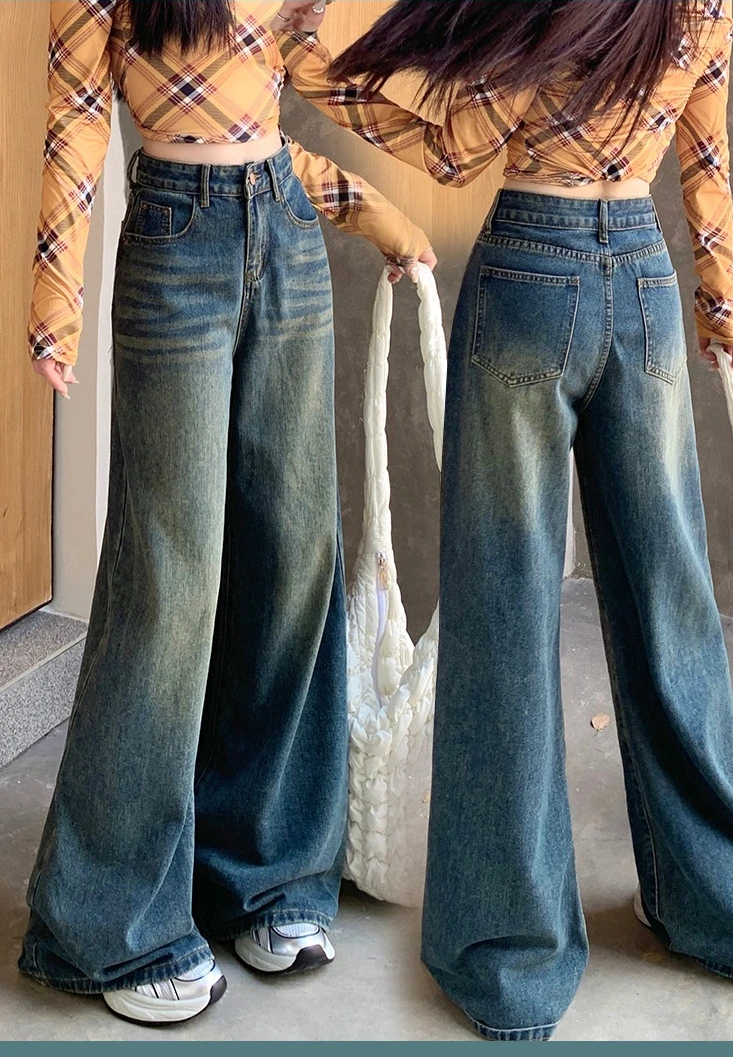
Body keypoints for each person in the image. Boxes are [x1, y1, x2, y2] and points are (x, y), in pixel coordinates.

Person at [273, 0, 733, 1041]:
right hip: (643, 279)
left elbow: (457, 150)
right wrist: (717, 299)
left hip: (528, 275)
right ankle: (729, 915)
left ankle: (510, 957)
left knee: (504, 612)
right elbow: (705, 152)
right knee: (672, 606)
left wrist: (313, 70)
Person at [21, 0, 434, 1026]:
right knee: (170, 581)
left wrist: (385, 198)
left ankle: (269, 877)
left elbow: (307, 86)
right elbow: (76, 118)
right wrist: (54, 297)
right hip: (174, 243)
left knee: (293, 561)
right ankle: (109, 927)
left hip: (286, 237)